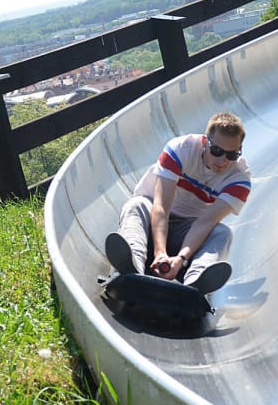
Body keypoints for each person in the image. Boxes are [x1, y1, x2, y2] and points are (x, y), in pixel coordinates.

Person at [105, 112, 251, 295]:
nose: (223, 161)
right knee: (136, 205)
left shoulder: (240, 180)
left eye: (232, 155)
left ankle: (196, 282)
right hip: (152, 222)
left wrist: (181, 258)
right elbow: (161, 207)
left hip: (187, 231)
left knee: (223, 232)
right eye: (217, 151)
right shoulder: (180, 149)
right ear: (206, 142)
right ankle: (132, 264)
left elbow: (205, 222)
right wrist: (160, 253)